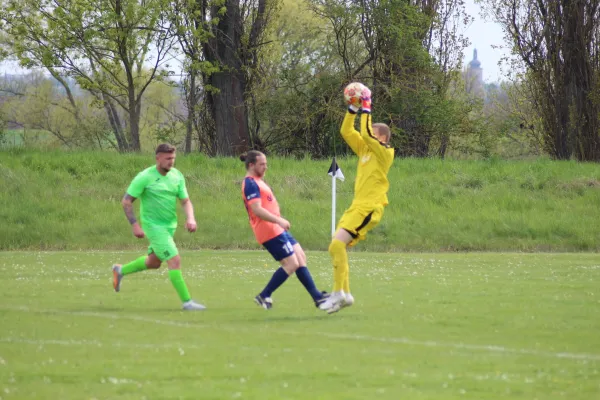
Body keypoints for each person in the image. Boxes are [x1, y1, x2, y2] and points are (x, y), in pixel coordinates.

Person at [319, 84, 394, 314]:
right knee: (335, 245)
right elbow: (347, 132)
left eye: (374, 134)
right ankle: (344, 293)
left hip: (370, 207)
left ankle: (340, 293)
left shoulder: (384, 152)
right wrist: (352, 109)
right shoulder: (365, 151)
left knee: (337, 244)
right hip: (357, 207)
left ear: (381, 137)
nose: (370, 136)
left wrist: (367, 105)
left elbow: (366, 133)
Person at [111, 143, 205, 311]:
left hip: (170, 226)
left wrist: (191, 218)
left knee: (153, 262)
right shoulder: (144, 177)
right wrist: (134, 225)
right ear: (158, 158)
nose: (171, 162)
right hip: (153, 227)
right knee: (174, 260)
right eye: (168, 158)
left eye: (173, 158)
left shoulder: (177, 176)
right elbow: (126, 201)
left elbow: (185, 201)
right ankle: (187, 302)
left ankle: (120, 270)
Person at [240, 150, 328, 310]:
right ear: (251, 165)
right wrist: (278, 220)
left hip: (276, 228)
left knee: (300, 257)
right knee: (291, 264)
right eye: (262, 164)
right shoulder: (250, 183)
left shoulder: (258, 181)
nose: (266, 167)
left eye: (266, 164)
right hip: (268, 230)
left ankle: (317, 297)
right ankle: (264, 295)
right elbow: (257, 210)